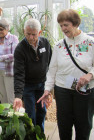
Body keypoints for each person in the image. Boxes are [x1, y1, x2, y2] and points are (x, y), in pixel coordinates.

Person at [37, 9, 94, 140]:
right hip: (62, 90)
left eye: (66, 25)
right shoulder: (59, 46)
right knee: (64, 125)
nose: (63, 28)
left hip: (85, 91)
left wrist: (90, 75)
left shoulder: (90, 43)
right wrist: (47, 90)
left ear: (75, 24)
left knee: (84, 125)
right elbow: (52, 70)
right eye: (61, 25)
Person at [13, 18, 52, 132]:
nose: (30, 37)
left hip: (42, 84)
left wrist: (50, 88)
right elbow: (19, 74)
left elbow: (51, 64)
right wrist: (18, 95)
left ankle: (40, 134)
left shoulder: (45, 43)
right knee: (30, 113)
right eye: (28, 34)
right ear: (24, 31)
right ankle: (32, 135)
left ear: (39, 33)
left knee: (42, 111)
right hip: (28, 86)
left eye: (34, 34)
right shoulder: (20, 49)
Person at [0, 18, 19, 104]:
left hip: (9, 72)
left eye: (1, 29)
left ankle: (13, 116)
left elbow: (15, 56)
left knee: (11, 97)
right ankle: (5, 115)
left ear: (7, 28)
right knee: (2, 97)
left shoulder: (13, 39)